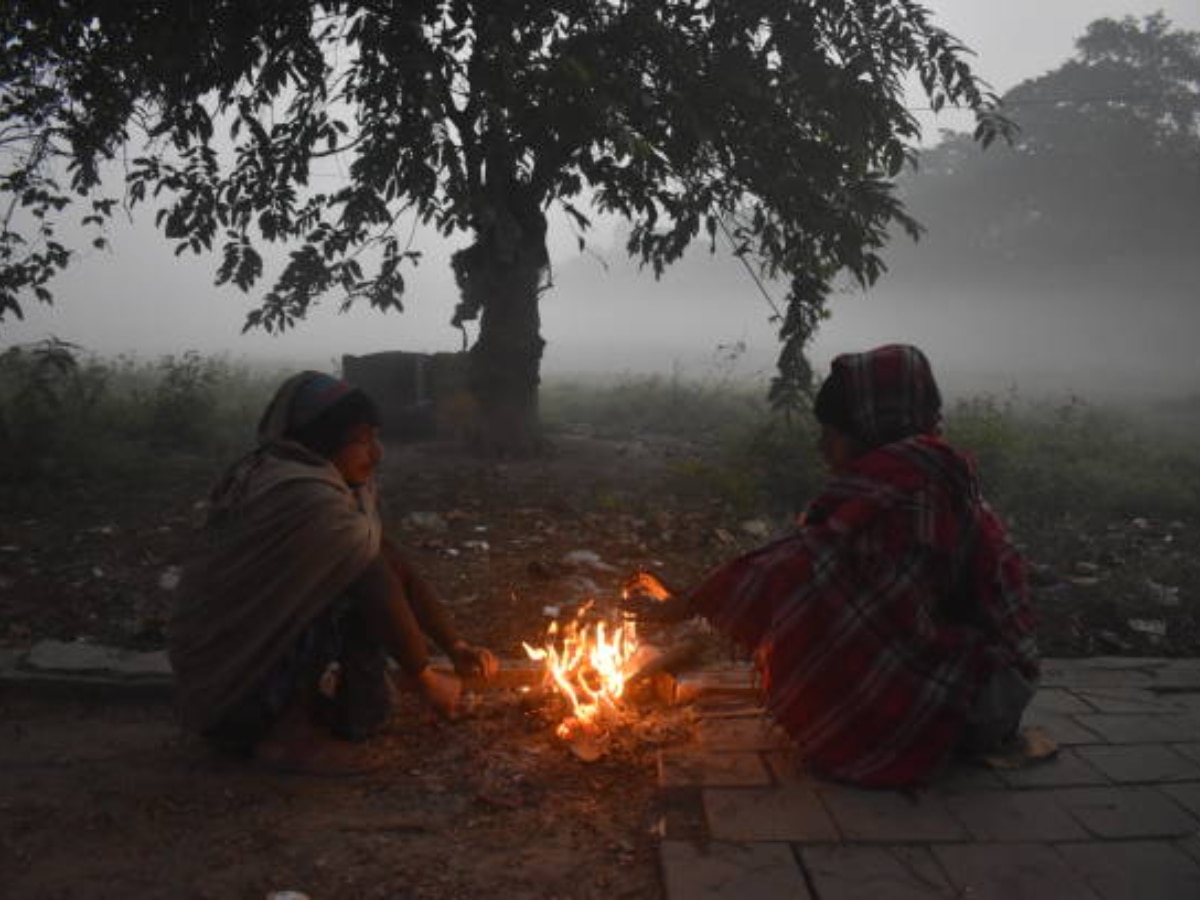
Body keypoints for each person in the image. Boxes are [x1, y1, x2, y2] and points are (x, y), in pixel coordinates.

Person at [625, 345, 1038, 788]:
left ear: (872, 430)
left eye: (832, 433)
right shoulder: (925, 474)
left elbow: (804, 569)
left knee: (824, 604)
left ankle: (879, 736)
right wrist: (700, 595)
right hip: (989, 682)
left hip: (975, 699)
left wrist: (694, 601)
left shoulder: (910, 497)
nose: (821, 446)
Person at [168, 371, 498, 775]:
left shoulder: (328, 485)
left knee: (363, 591)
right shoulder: (300, 495)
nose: (376, 453)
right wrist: (424, 677)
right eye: (360, 440)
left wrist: (454, 645)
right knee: (357, 593)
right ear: (322, 440)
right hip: (231, 686)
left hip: (241, 675)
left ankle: (327, 715)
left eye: (375, 436)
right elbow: (373, 574)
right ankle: (281, 737)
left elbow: (390, 561)